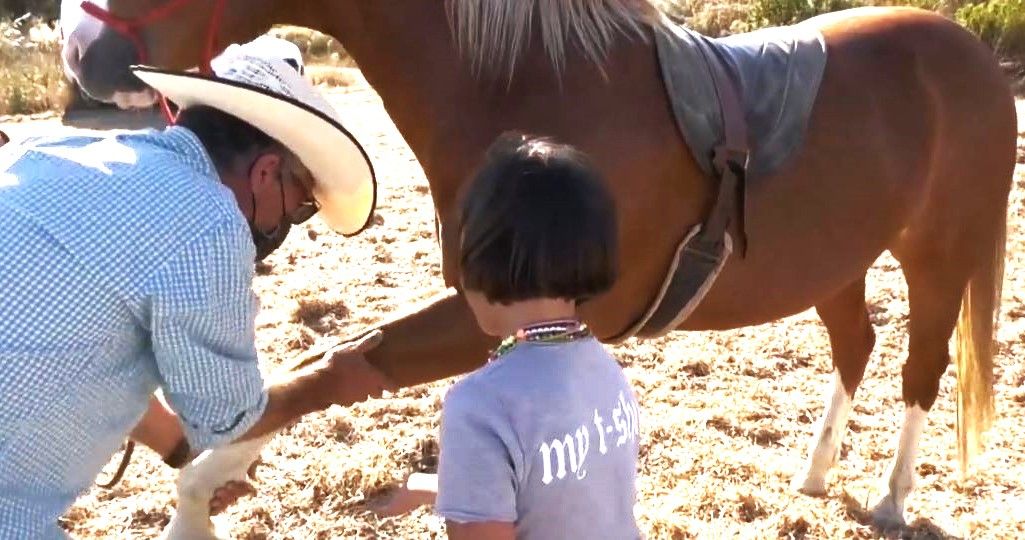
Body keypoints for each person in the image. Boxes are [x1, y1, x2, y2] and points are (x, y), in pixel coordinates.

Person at [0, 45, 390, 537]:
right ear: (267, 172)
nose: (285, 224)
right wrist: (330, 381)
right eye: (298, 207)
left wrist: (189, 456)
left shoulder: (45, 152)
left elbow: (60, 355)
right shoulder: (207, 220)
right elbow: (229, 420)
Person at [381, 133, 643, 539]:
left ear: (477, 254)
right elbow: (556, 497)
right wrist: (432, 490)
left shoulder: (481, 406)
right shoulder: (605, 370)